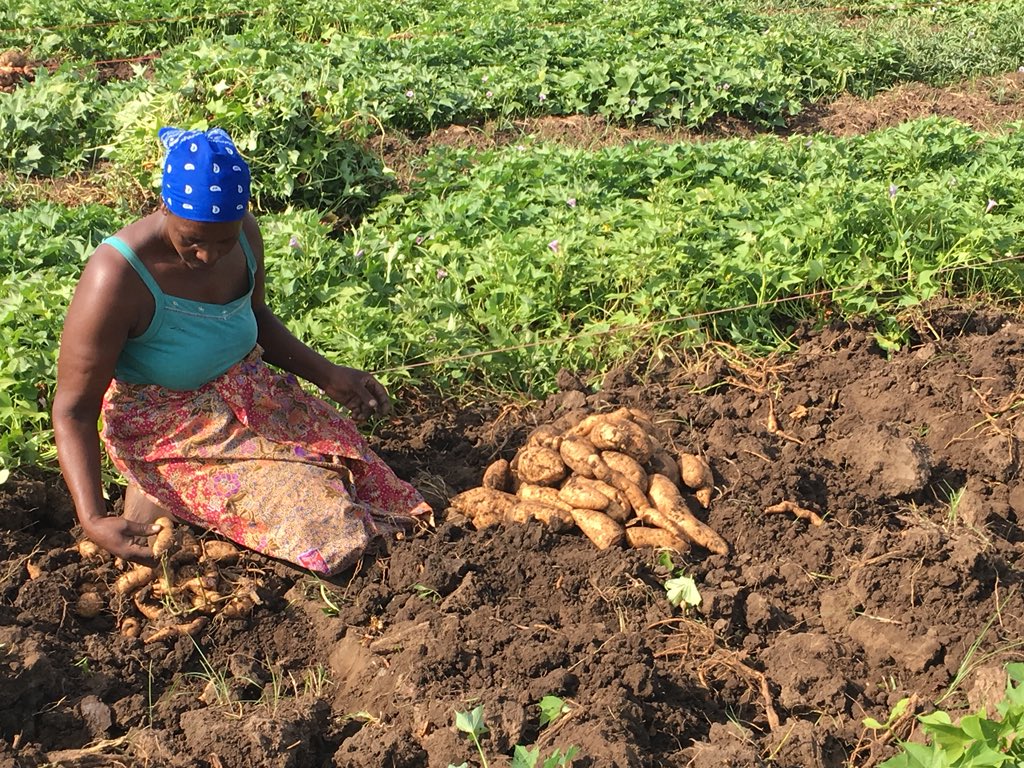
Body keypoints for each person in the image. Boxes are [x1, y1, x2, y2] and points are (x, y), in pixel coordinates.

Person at [52, 126, 431, 575]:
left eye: (223, 242)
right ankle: (154, 486)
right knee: (323, 522)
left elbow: (254, 317)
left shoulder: (246, 233)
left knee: (361, 475)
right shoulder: (117, 276)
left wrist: (328, 374)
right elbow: (74, 408)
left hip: (251, 395)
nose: (208, 256)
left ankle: (172, 498)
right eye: (192, 240)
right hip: (168, 429)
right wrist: (92, 517)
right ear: (164, 206)